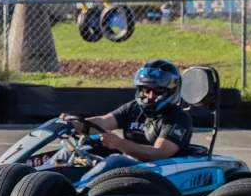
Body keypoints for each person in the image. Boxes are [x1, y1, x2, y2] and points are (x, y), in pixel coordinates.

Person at [52, 59, 193, 183]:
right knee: (67, 153)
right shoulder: (133, 108)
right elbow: (102, 122)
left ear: (171, 91)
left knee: (115, 159)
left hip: (158, 174)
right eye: (146, 89)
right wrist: (74, 124)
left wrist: (121, 144)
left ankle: (76, 190)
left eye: (157, 91)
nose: (150, 96)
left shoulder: (178, 118)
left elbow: (159, 154)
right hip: (127, 169)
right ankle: (40, 182)